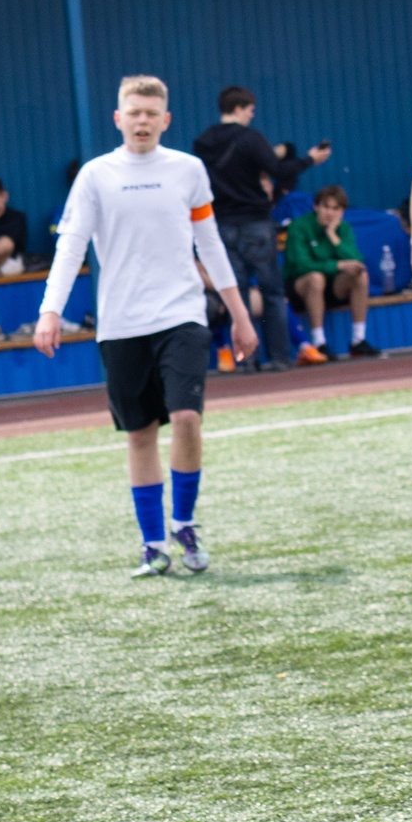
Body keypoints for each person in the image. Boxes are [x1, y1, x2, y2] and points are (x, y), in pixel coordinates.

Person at [35, 75, 256, 576]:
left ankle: (185, 523)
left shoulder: (188, 170)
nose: (142, 121)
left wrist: (239, 314)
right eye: (133, 112)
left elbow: (210, 243)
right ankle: (153, 544)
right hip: (120, 323)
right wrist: (50, 310)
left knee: (187, 418)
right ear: (118, 118)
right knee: (139, 434)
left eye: (151, 113)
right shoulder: (95, 175)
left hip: (182, 315)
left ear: (166, 120)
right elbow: (70, 246)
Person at [194, 87, 332, 372]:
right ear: (240, 108)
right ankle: (280, 357)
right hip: (256, 222)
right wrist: (310, 159)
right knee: (272, 293)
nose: (252, 115)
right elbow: (279, 171)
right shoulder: (250, 138)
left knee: (237, 292)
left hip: (222, 223)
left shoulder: (202, 143)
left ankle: (248, 360)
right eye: (250, 109)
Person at [285, 186, 375, 363]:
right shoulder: (299, 227)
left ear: (342, 212)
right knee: (316, 278)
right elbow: (302, 266)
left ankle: (358, 340)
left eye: (336, 208)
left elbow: (356, 261)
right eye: (326, 207)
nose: (330, 213)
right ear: (316, 206)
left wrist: (333, 237)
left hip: (333, 288)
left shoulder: (343, 228)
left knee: (360, 275)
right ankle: (319, 343)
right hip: (300, 289)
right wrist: (338, 265)